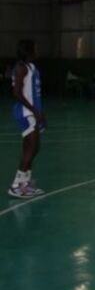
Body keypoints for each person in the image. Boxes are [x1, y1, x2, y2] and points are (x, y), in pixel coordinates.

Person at [8, 39, 46, 199]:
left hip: (32, 111)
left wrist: (40, 112)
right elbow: (17, 93)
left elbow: (34, 93)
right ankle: (16, 185)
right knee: (32, 148)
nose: (37, 50)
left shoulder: (31, 67)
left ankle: (25, 183)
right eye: (35, 48)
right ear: (29, 50)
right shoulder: (21, 68)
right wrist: (34, 111)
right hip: (26, 112)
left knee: (33, 148)